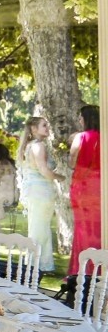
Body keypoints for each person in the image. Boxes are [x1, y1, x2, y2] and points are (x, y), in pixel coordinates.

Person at [19, 116, 65, 273]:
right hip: (41, 192)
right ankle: (37, 264)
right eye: (44, 125)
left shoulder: (30, 146)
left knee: (38, 227)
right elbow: (44, 171)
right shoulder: (38, 146)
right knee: (40, 229)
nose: (47, 128)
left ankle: (35, 263)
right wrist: (60, 177)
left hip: (36, 192)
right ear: (34, 129)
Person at [69, 104, 100, 284]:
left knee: (82, 228)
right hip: (100, 186)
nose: (79, 121)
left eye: (81, 117)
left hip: (83, 186)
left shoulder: (80, 137)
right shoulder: (104, 138)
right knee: (97, 227)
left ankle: (81, 270)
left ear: (86, 119)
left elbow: (72, 163)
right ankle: (99, 268)